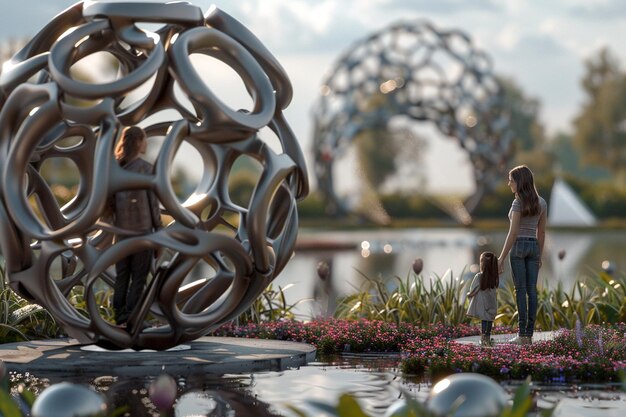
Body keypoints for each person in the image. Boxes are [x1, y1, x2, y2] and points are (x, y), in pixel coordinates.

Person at [110, 126, 162, 327]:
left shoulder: (116, 168)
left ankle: (120, 317)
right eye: (145, 139)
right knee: (138, 279)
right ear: (139, 142)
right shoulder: (146, 169)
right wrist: (159, 232)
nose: (146, 144)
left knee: (122, 277)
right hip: (142, 234)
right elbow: (153, 205)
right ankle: (133, 318)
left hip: (121, 234)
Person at [497, 165, 547, 345]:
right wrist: (539, 255)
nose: (508, 183)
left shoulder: (517, 203)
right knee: (532, 290)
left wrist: (501, 258)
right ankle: (529, 334)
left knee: (520, 291)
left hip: (518, 247)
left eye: (511, 180)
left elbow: (513, 233)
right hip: (533, 246)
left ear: (519, 182)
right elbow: (541, 233)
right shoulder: (541, 202)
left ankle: (521, 335)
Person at [467, 251, 499, 347]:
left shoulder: (479, 276)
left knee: (484, 320)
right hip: (492, 303)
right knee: (489, 320)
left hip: (483, 304)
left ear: (482, 264)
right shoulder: (495, 277)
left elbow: (474, 289)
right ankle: (488, 338)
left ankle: (484, 339)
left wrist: (469, 294)